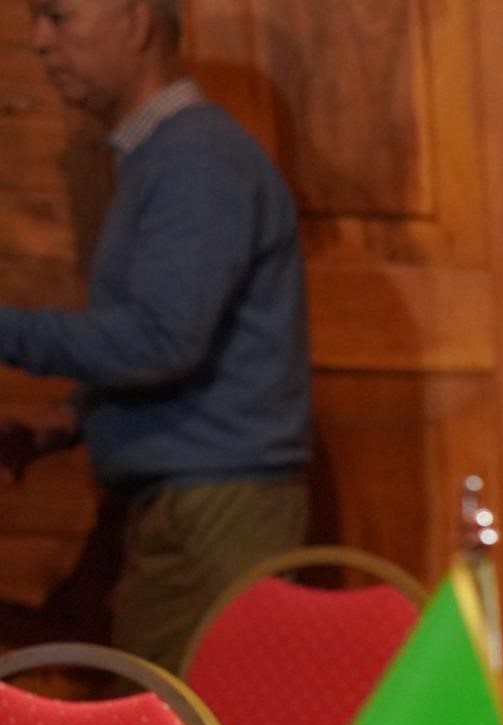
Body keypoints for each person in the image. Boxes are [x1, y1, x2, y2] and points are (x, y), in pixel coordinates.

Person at [1, 0, 310, 669]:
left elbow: (162, 340)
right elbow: (189, 335)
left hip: (212, 519)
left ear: (137, 23)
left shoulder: (194, 160)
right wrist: (73, 417)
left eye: (58, 17)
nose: (38, 43)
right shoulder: (165, 157)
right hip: (199, 508)